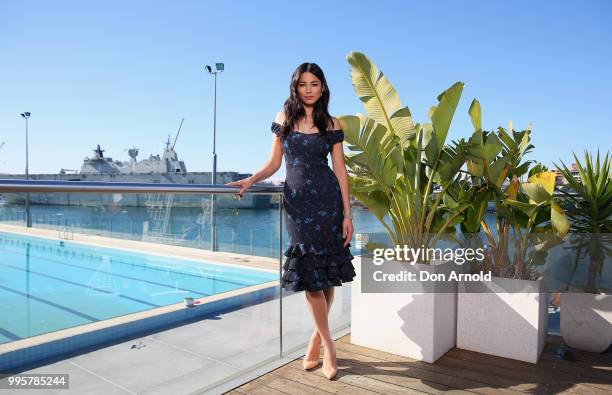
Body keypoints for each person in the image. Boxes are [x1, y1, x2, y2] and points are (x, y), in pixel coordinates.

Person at [225, 62, 356, 380]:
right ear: (295, 87)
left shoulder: (332, 123)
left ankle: (318, 339)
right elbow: (273, 163)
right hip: (297, 204)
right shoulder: (284, 117)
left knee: (325, 272)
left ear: (323, 87)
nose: (309, 89)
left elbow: (340, 170)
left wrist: (348, 213)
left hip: (327, 202)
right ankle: (329, 343)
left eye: (314, 83)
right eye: (303, 84)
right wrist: (251, 180)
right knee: (310, 275)